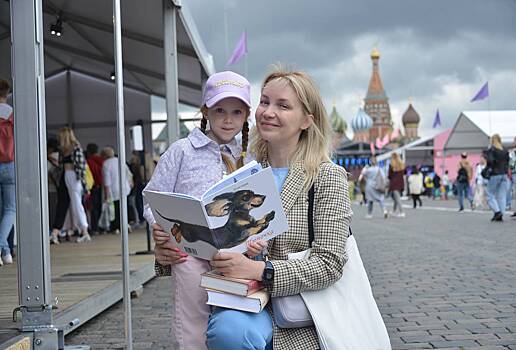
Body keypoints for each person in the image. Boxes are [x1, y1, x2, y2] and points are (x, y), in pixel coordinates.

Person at [204, 68, 351, 350]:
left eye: (283, 105)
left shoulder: (326, 176)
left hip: (302, 311)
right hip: (243, 299)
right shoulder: (242, 170)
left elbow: (330, 264)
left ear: (307, 120)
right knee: (229, 332)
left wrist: (262, 269)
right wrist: (171, 247)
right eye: (264, 102)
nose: (268, 112)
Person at [148, 71, 252, 350]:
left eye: (236, 112)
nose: (228, 119)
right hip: (189, 251)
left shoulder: (249, 155)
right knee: (192, 316)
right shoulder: (181, 151)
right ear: (205, 110)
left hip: (236, 252)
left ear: (246, 115)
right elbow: (152, 199)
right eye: (219, 110)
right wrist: (160, 228)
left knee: (233, 317)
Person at [54, 127, 91, 242]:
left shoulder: (75, 148)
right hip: (68, 176)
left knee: (76, 205)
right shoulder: (65, 150)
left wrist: (83, 183)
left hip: (73, 177)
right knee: (72, 204)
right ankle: (82, 231)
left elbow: (81, 167)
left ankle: (84, 231)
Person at [101, 146, 132, 234]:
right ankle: (126, 224)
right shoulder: (120, 160)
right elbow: (128, 174)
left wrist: (106, 196)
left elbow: (107, 181)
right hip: (125, 188)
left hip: (114, 190)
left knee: (115, 210)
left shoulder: (106, 164)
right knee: (124, 207)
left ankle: (116, 227)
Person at [0, 78, 14, 265]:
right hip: (10, 163)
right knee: (10, 209)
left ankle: (6, 252)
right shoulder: (12, 113)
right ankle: (4, 248)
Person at [484, 134, 509, 222]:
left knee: (489, 194)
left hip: (495, 174)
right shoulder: (505, 150)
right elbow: (507, 162)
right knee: (502, 195)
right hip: (504, 174)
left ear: (492, 140)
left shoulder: (492, 150)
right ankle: (500, 214)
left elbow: (490, 161)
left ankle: (497, 212)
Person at [85, 143, 104, 234]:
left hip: (93, 187)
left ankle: (94, 227)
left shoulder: (88, 161)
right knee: (100, 206)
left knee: (93, 208)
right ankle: (101, 226)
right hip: (103, 186)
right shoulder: (103, 160)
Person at [388, 152, 405, 218]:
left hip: (394, 183)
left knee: (397, 198)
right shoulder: (402, 164)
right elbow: (404, 173)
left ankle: (402, 212)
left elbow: (389, 175)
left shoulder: (391, 165)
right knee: (396, 198)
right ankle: (393, 211)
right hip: (401, 183)